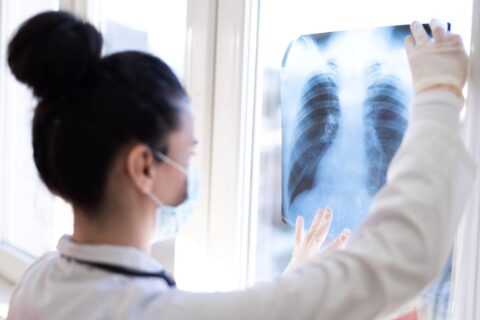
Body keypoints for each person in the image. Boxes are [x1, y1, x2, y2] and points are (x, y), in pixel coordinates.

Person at [6, 11, 475, 320]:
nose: (194, 170)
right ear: (144, 168)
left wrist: (293, 282)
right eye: (187, 154)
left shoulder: (38, 283)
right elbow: (399, 258)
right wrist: (437, 97)